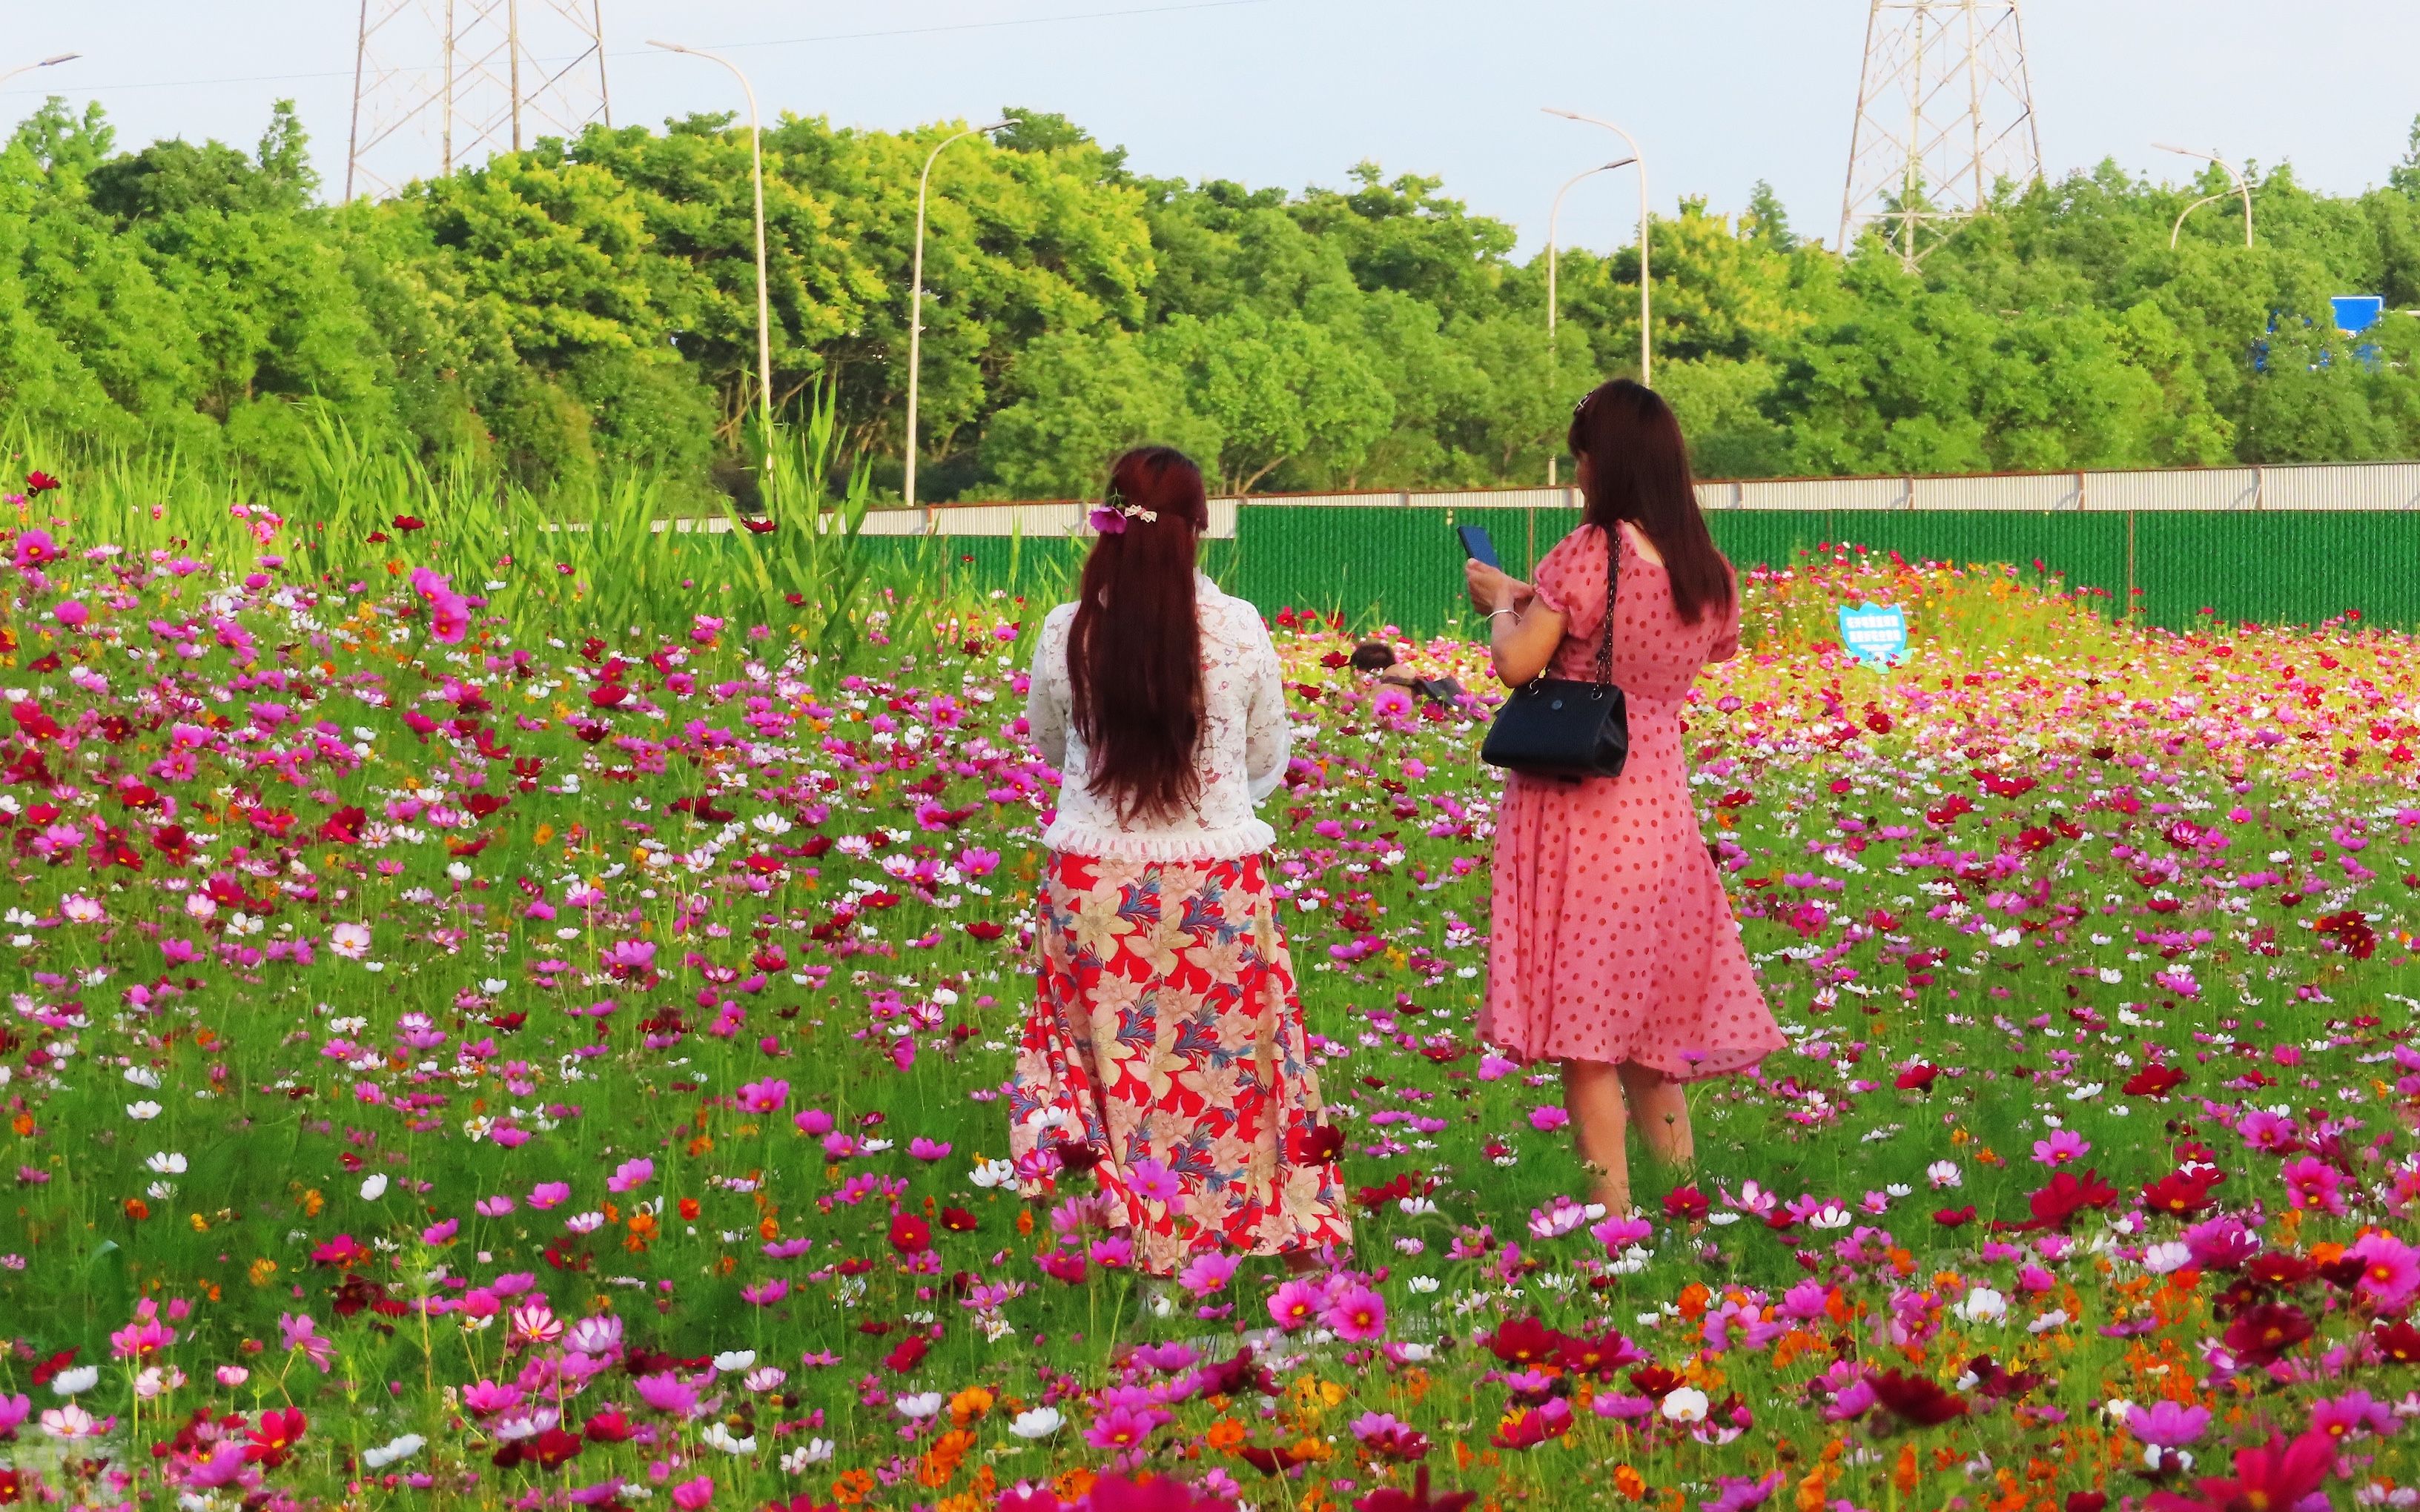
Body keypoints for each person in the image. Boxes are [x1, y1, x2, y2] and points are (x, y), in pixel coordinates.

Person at [1010, 445, 1352, 1275]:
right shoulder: (1238, 628)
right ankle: (1240, 1241)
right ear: (1198, 528)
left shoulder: (1067, 630)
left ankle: (1124, 1247)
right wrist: (1218, 795)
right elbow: (1268, 754)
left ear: (1107, 522)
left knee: (1110, 1074)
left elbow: (1052, 746)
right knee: (1232, 1072)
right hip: (1217, 883)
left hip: (1095, 886)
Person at [1463, 379, 1781, 1216]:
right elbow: (1694, 657)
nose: (1578, 472)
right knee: (1648, 1032)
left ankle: (1615, 1218)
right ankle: (1683, 1202)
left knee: (1586, 1032)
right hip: (1662, 813)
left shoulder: (1584, 552)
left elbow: (1518, 664)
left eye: (1582, 456)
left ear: (1605, 462)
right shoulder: (1705, 568)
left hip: (1579, 807)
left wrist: (1502, 605)